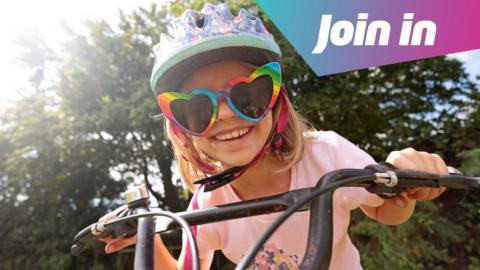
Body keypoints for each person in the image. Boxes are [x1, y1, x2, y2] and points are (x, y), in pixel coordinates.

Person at [100, 3, 448, 269]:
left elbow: (386, 210)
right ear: (183, 131)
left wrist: (405, 177)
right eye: (196, 110)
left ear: (276, 102)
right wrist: (144, 232)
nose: (223, 114)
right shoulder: (208, 204)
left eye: (247, 96)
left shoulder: (327, 155)